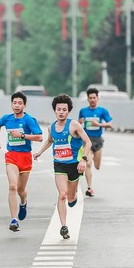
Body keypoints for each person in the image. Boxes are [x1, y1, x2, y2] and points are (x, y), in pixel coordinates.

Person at [34, 94, 93, 240]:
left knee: (71, 198)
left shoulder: (74, 125)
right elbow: (50, 140)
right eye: (58, 109)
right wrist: (40, 152)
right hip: (59, 165)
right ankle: (64, 226)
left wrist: (83, 160)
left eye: (64, 109)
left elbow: (88, 142)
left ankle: (73, 198)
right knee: (62, 194)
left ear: (68, 111)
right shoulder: (51, 127)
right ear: (54, 110)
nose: (61, 112)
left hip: (74, 165)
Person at [0, 91, 43, 232]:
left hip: (25, 157)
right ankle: (14, 220)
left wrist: (21, 135)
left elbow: (39, 137)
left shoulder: (29, 120)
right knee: (12, 187)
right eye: (14, 102)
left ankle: (23, 202)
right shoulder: (6, 118)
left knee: (21, 190)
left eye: (19, 103)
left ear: (24, 105)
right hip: (12, 156)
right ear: (11, 104)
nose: (16, 105)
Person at [78, 87, 113, 197]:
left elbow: (110, 124)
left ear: (98, 98)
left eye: (94, 98)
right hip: (86, 140)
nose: (92, 100)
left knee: (97, 166)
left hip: (98, 140)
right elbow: (79, 125)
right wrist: (80, 122)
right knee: (88, 164)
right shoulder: (83, 111)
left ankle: (93, 157)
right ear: (87, 99)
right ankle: (89, 188)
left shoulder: (102, 111)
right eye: (90, 98)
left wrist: (99, 125)